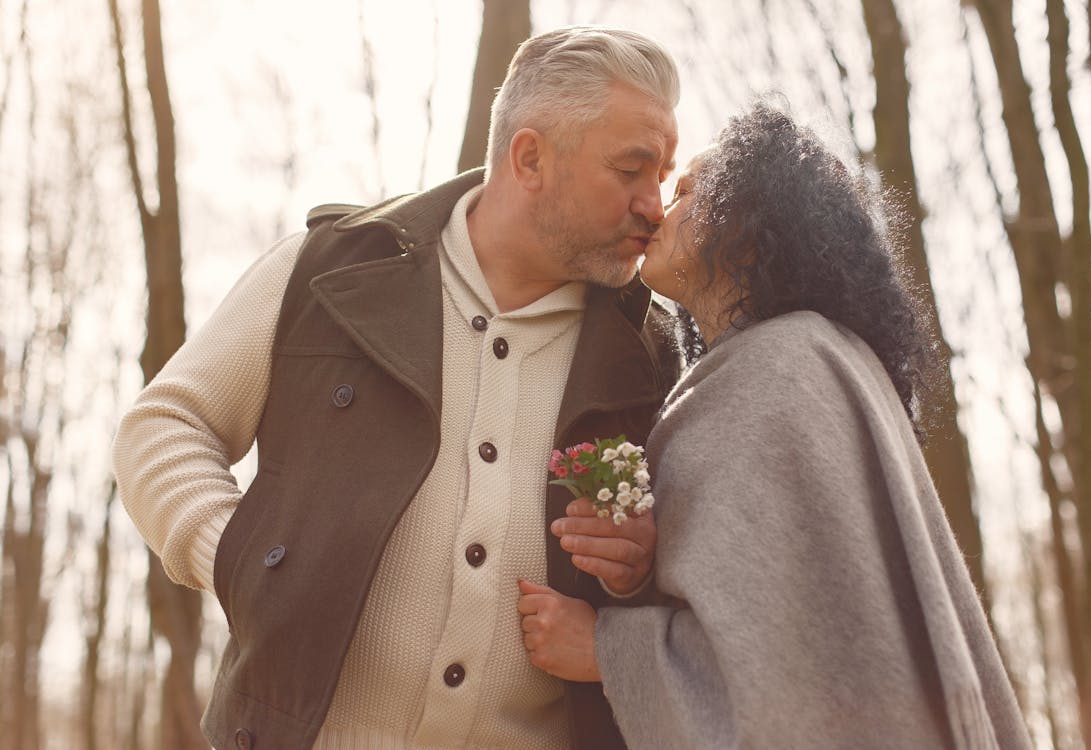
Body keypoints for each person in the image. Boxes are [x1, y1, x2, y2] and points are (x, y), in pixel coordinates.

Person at [112, 26, 682, 750]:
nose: (654, 206)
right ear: (530, 157)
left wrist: (636, 572)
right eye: (632, 170)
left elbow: (701, 601)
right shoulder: (323, 274)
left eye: (662, 174)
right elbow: (164, 425)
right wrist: (236, 556)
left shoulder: (655, 355)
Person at [518, 102, 1033, 749]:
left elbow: (801, 676)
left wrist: (602, 647)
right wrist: (633, 568)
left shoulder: (782, 370)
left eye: (686, 193)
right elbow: (783, 613)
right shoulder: (800, 361)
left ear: (748, 227)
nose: (656, 209)